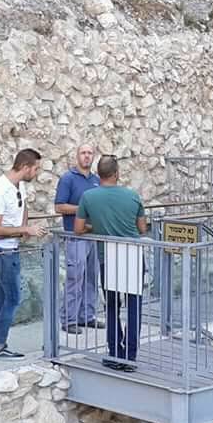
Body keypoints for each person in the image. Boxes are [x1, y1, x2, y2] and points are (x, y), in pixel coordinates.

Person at [74, 155, 146, 371]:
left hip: (108, 257)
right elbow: (142, 228)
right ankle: (130, 356)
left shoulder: (88, 197)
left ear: (99, 174)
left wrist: (94, 227)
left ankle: (115, 353)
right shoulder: (133, 196)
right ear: (117, 173)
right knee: (134, 305)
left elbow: (78, 229)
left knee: (113, 306)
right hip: (133, 255)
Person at [0, 148, 47, 359]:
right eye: (36, 169)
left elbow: (23, 207)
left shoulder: (19, 184)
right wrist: (25, 230)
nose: (37, 173)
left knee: (2, 296)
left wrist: (23, 227)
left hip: (11, 248)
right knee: (12, 298)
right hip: (1, 250)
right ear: (25, 167)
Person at [54, 144, 104, 334]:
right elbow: (59, 207)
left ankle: (87, 316)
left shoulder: (96, 180)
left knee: (92, 277)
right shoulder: (68, 179)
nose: (86, 156)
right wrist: (84, 207)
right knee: (75, 277)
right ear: (77, 156)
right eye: (83, 153)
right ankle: (69, 319)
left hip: (93, 234)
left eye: (90, 153)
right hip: (75, 236)